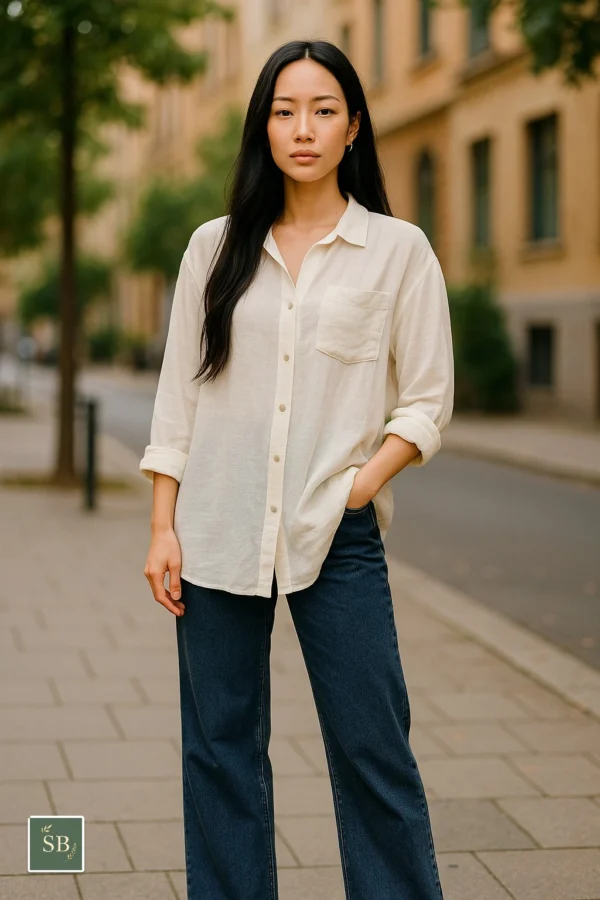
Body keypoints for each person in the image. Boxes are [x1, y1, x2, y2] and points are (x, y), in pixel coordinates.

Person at [140, 39, 452, 900]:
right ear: (263, 127)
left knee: (373, 749)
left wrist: (363, 482)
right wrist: (163, 526)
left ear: (354, 126)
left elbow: (425, 400)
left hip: (336, 533)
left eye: (322, 111)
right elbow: (180, 398)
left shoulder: (397, 250)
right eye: (284, 111)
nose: (302, 129)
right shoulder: (214, 248)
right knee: (220, 750)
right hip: (213, 529)